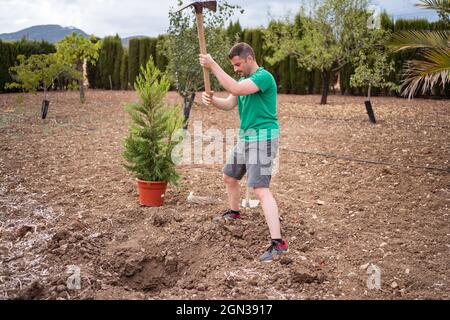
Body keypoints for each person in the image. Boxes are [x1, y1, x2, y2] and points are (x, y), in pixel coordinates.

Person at [199, 42, 288, 262]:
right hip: (246, 137)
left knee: (260, 189)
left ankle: (278, 243)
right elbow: (230, 103)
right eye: (234, 66)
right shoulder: (242, 81)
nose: (236, 69)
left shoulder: (263, 77)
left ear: (249, 58)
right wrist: (212, 100)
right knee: (229, 177)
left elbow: (236, 90)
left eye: (238, 64)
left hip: (264, 137)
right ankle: (234, 212)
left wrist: (213, 65)